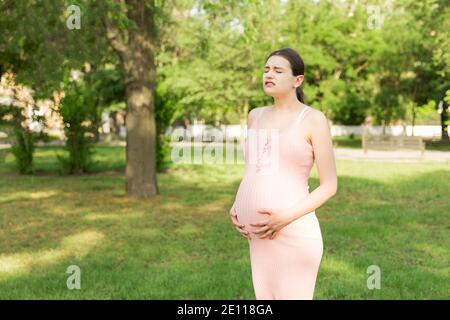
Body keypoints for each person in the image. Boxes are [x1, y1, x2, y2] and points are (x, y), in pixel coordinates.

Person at [229, 48, 338, 300]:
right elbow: (254, 169)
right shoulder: (255, 116)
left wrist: (283, 218)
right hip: (258, 236)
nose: (269, 74)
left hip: (294, 233)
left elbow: (329, 185)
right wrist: (237, 205)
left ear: (297, 80)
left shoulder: (312, 119)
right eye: (266, 69)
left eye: (278, 70)